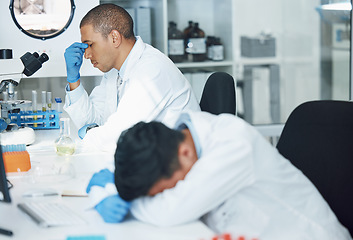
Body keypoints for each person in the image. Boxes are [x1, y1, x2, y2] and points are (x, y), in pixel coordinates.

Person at [86, 111, 352, 240]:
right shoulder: (173, 146)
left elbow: (171, 210)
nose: (169, 193)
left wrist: (113, 194)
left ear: (185, 152)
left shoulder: (234, 144)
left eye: (167, 188)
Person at [63, 4, 200, 153]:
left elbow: (119, 135)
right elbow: (92, 121)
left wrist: (88, 136)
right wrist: (73, 78)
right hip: (149, 156)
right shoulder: (114, 72)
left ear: (114, 38)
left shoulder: (151, 70)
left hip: (177, 161)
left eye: (89, 45)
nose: (87, 55)